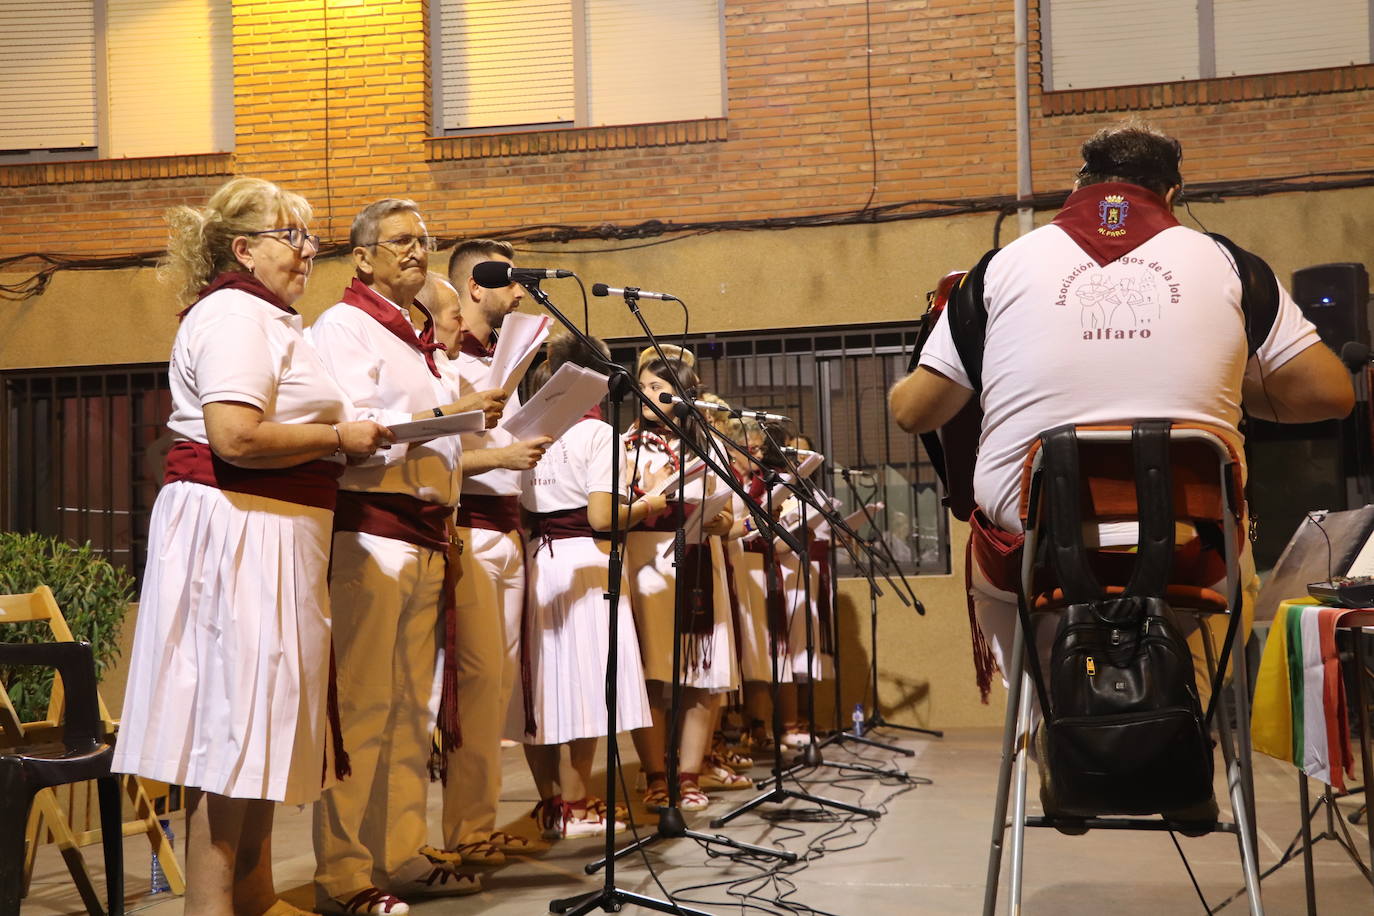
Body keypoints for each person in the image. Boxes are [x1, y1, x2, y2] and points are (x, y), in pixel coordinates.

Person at [889, 121, 1353, 700]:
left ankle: (1044, 724)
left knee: (1005, 584)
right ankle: (1197, 719)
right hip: (1193, 556)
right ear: (1172, 195)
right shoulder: (1231, 265)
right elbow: (1332, 394)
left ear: (1078, 185)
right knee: (1231, 571)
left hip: (1038, 558)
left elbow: (914, 413)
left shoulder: (999, 268)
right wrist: (1233, 387)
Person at [112, 177, 393, 916]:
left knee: (263, 728)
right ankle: (211, 909)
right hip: (239, 534)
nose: (308, 251)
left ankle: (258, 898)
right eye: (290, 235)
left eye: (310, 237)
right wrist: (338, 437)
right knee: (231, 736)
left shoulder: (273, 319)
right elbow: (235, 437)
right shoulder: (234, 315)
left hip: (276, 533)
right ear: (243, 248)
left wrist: (344, 447)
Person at [309, 199, 506, 915]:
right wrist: (447, 420)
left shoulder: (416, 341)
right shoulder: (344, 327)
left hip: (426, 536)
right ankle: (342, 874)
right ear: (362, 257)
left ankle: (398, 851)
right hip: (371, 535)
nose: (416, 251)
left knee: (410, 710)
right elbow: (361, 428)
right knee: (361, 705)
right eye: (399, 241)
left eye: (423, 240)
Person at [428, 240, 554, 868]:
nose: (520, 289)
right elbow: (430, 456)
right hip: (471, 530)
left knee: (497, 694)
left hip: (509, 531)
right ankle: (464, 834)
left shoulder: (502, 366)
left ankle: (478, 823)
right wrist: (501, 455)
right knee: (474, 693)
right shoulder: (447, 367)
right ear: (472, 288)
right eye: (506, 279)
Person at [519, 332, 662, 838]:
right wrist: (646, 506)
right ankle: (578, 804)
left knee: (541, 688)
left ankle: (553, 805)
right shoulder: (597, 435)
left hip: (537, 563)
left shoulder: (527, 431)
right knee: (585, 684)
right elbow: (603, 516)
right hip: (584, 562)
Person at [623, 355, 738, 812]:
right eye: (645, 388)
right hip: (646, 560)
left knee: (699, 676)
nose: (651, 396)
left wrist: (722, 522)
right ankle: (655, 776)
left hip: (698, 562)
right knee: (651, 674)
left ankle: (688, 776)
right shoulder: (623, 446)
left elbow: (733, 516)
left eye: (661, 388)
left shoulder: (709, 447)